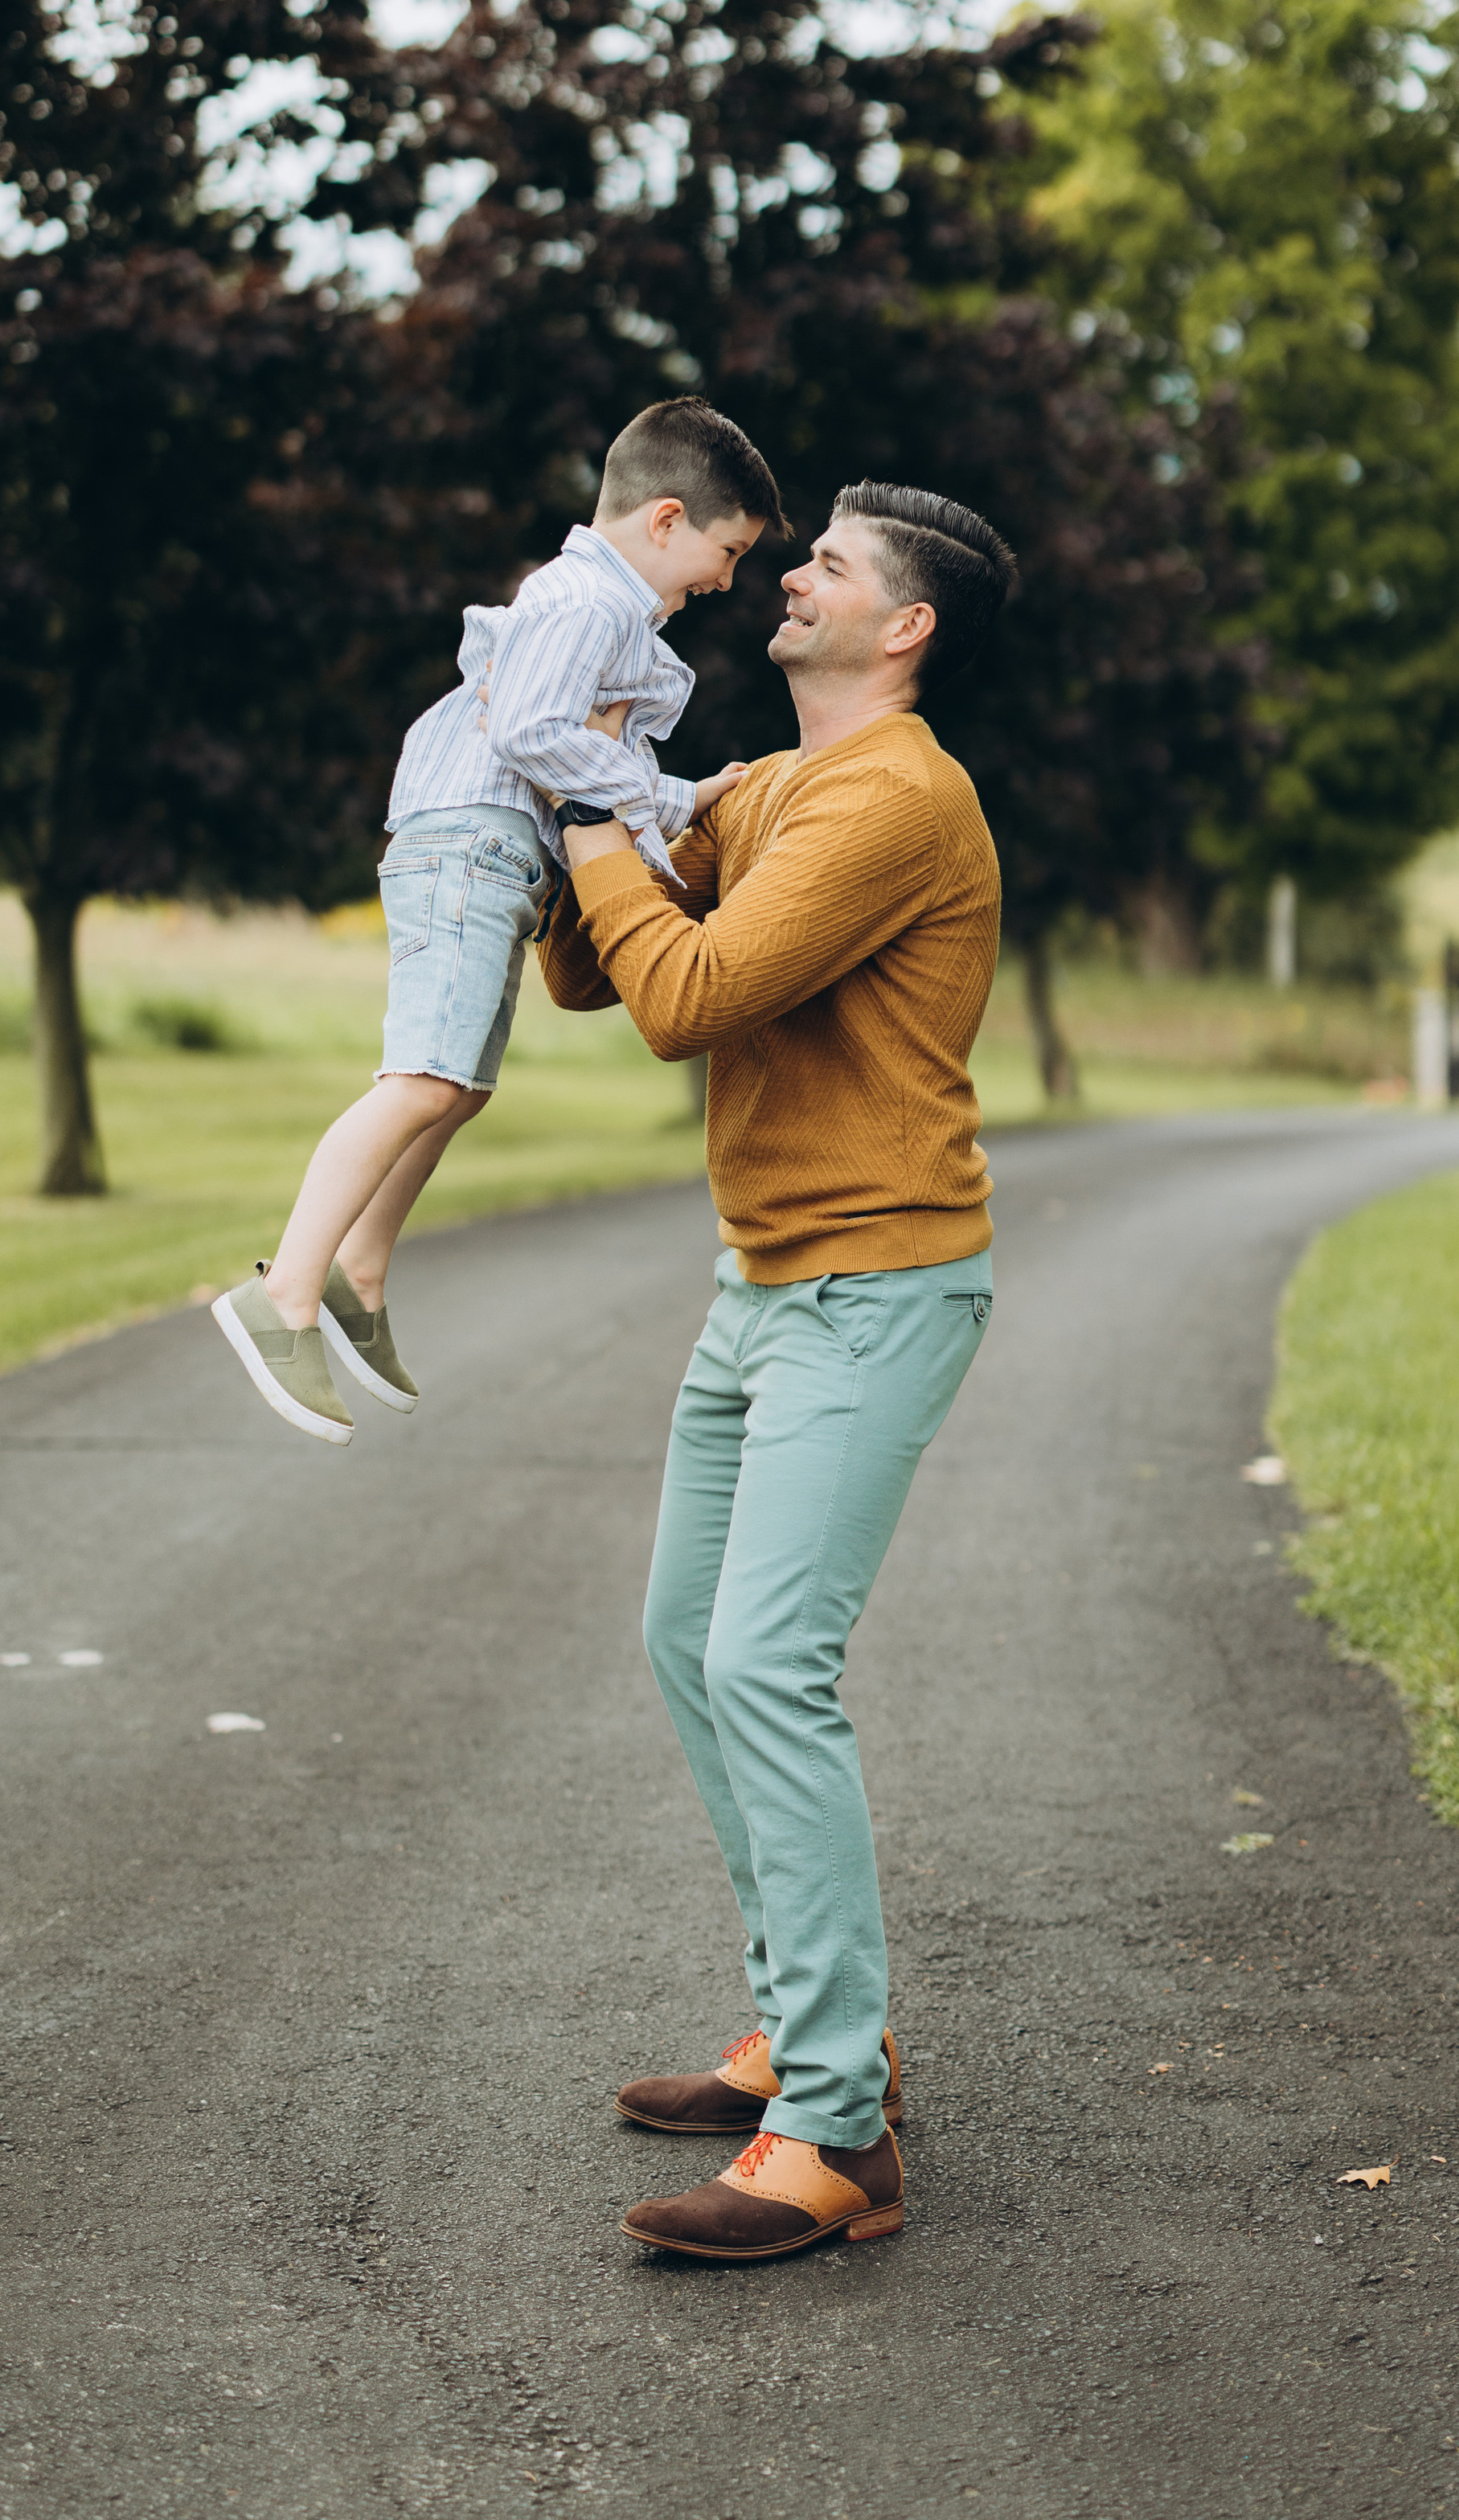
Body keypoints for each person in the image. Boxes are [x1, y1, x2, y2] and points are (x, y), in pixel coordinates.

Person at [536, 480, 1016, 2260]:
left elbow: (689, 999)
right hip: (761, 1286)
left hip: (876, 1285)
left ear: (906, 627)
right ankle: (817, 2031)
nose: (791, 573)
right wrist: (603, 808)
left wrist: (589, 806)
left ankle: (836, 2137)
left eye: (829, 563)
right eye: (799, 551)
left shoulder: (894, 799)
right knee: (690, 1643)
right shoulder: (762, 788)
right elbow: (595, 972)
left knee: (765, 1662)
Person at [212, 399, 785, 1444]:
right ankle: (282, 1291)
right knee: (421, 1079)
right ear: (666, 519)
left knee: (460, 1088)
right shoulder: (587, 602)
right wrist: (654, 797)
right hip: (468, 845)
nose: (727, 581)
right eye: (729, 552)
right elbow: (531, 730)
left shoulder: (610, 612)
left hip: (495, 856)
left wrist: (687, 796)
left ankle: (358, 1271)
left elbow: (588, 749)